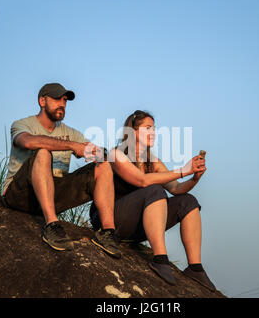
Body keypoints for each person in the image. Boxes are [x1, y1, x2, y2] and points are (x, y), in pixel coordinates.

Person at [90, 110, 216, 291]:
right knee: (154, 189)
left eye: (154, 129)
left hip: (138, 225)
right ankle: (160, 258)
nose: (154, 133)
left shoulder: (153, 162)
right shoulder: (117, 155)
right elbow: (142, 181)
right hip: (112, 220)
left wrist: (194, 177)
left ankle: (195, 268)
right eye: (148, 128)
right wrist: (183, 170)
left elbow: (176, 188)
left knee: (188, 201)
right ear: (132, 132)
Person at [2, 82, 121, 258]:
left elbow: (95, 151)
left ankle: (108, 233)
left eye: (65, 100)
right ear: (42, 101)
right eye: (57, 99)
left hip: (53, 194)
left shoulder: (71, 132)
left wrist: (101, 152)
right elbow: (27, 142)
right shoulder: (22, 124)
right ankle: (51, 226)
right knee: (43, 152)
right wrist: (72, 146)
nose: (63, 104)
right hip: (21, 194)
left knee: (103, 166)